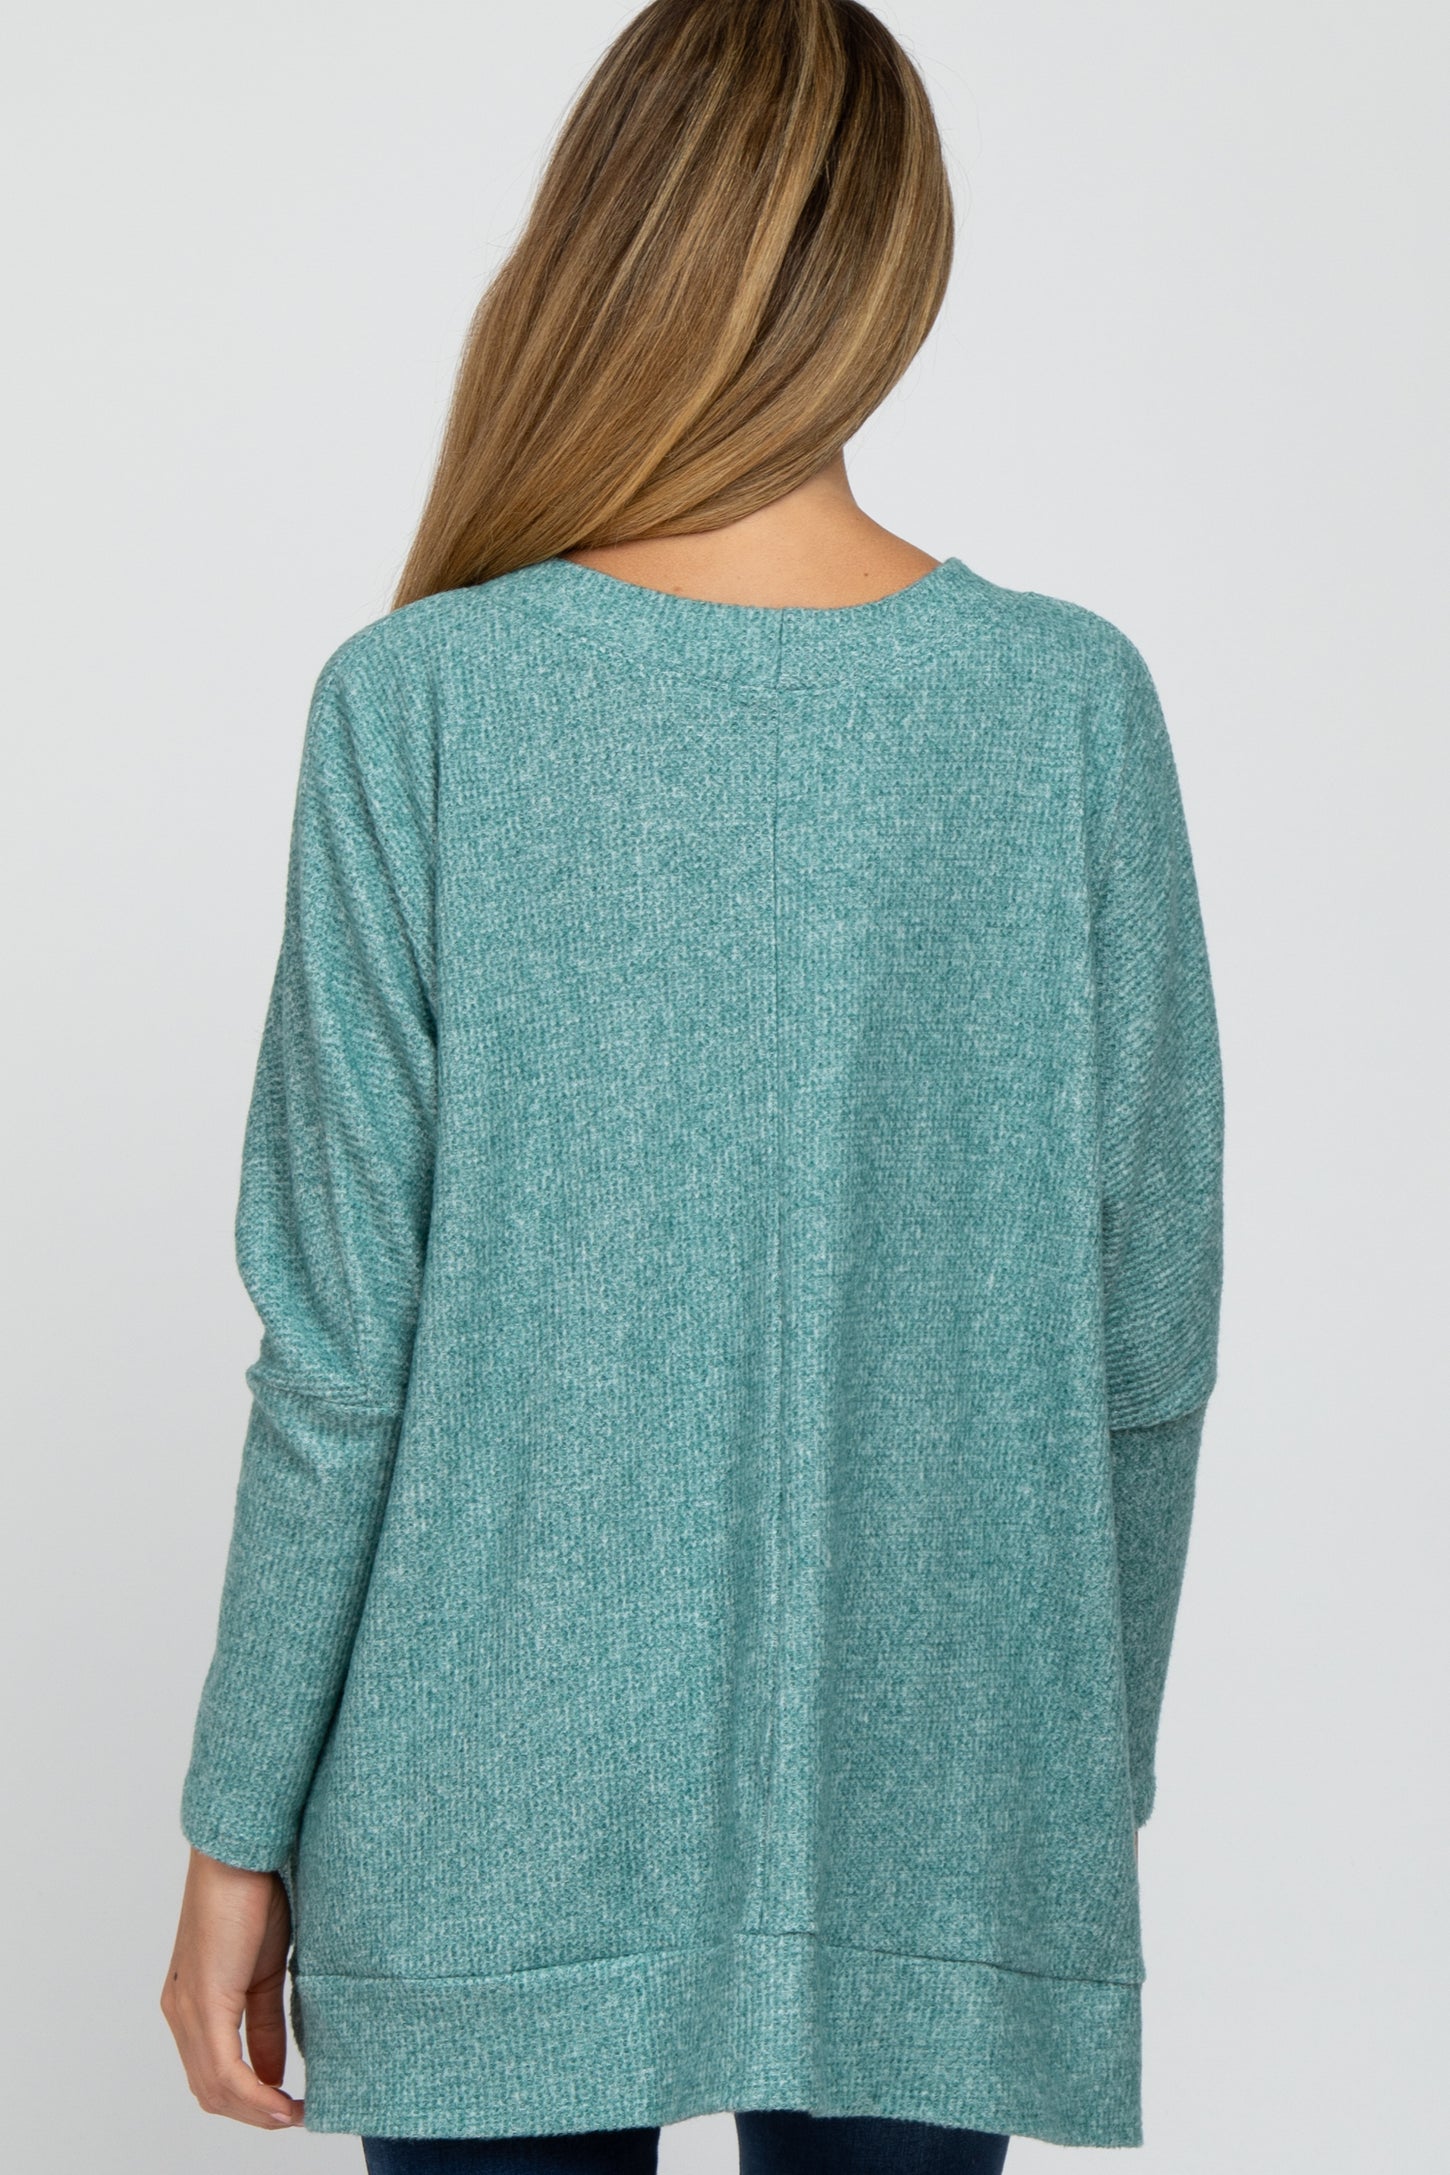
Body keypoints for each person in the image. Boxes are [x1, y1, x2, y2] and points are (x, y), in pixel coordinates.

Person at [160, 0, 1224, 2167]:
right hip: (946, 1796)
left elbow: (339, 1352)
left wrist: (234, 1819)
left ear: (597, 243)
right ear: (893, 266)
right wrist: (1059, 1778)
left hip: (476, 1809)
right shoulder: (1060, 712)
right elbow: (1146, 1337)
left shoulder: (419, 704)